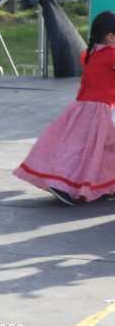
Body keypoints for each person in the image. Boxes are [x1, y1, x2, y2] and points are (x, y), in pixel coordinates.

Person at [14, 10, 115, 205]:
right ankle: (64, 184)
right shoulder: (112, 54)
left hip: (82, 108)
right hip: (102, 110)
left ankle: (101, 186)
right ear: (111, 36)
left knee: (81, 148)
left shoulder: (92, 53)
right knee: (101, 150)